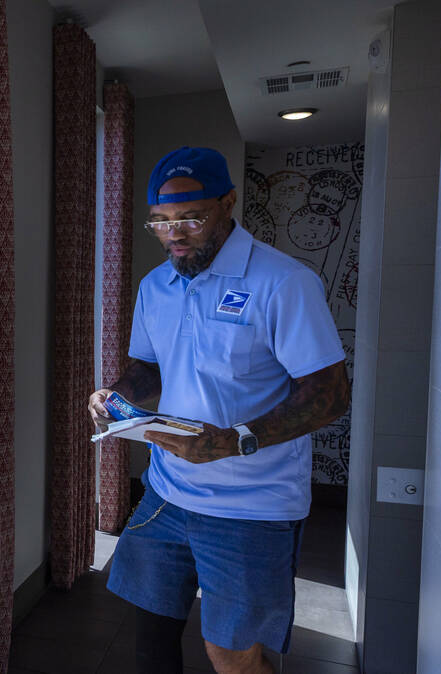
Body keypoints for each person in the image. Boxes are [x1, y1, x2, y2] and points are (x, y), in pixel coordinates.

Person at [89, 146, 350, 674]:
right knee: (150, 636)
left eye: (190, 217)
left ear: (228, 203)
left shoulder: (283, 283)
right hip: (164, 494)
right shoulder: (155, 287)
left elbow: (329, 396)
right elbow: (150, 369)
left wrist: (232, 441)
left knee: (231, 654)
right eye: (160, 222)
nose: (175, 234)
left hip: (251, 507)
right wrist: (114, 395)